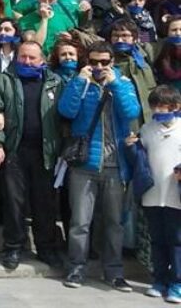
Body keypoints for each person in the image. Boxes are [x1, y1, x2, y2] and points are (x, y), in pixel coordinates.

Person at [58, 41, 141, 291]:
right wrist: (80, 83)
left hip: (115, 165)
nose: (98, 67)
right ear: (87, 62)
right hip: (84, 164)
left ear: (112, 62)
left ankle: (113, 272)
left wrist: (114, 83)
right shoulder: (80, 83)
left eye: (104, 62)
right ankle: (76, 268)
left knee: (114, 223)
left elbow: (132, 112)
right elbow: (66, 111)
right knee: (80, 222)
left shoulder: (123, 84)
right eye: (94, 62)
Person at [0, 41, 66, 270]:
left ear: (42, 59)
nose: (26, 61)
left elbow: (65, 117)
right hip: (15, 151)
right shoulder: (4, 80)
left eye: (31, 58)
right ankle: (13, 247)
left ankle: (46, 247)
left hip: (46, 152)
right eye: (22, 57)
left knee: (45, 203)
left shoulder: (55, 82)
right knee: (14, 202)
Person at [125, 85, 181, 302]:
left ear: (175, 106)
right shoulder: (147, 129)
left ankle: (177, 283)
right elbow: (138, 161)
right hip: (152, 195)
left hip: (176, 196)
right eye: (154, 106)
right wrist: (131, 147)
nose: (157, 110)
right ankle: (159, 280)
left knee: (176, 241)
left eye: (161, 105)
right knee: (157, 240)